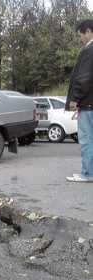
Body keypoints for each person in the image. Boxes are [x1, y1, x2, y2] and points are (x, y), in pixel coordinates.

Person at [66, 19, 93, 183]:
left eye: (81, 35)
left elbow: (84, 78)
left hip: (88, 104)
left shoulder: (89, 50)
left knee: (87, 139)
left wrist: (75, 99)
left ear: (88, 31)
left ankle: (88, 173)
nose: (80, 39)